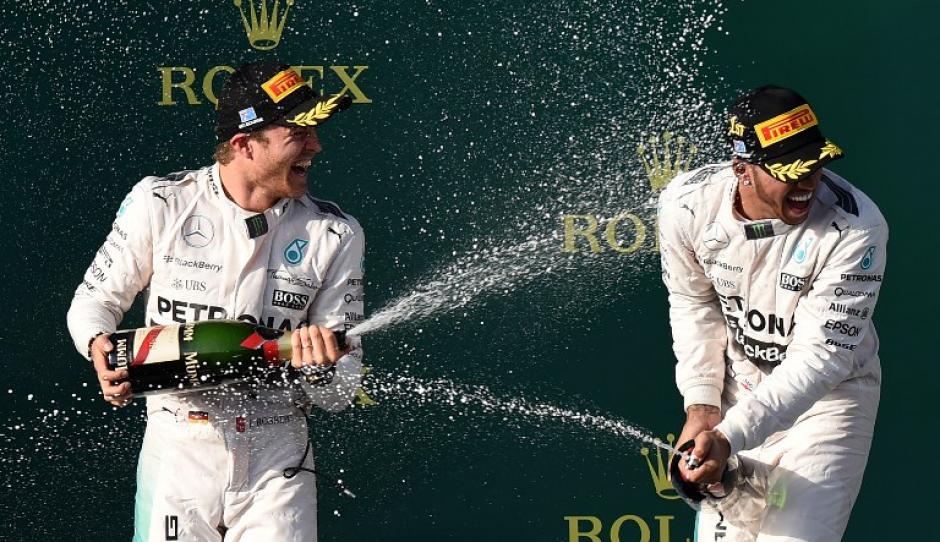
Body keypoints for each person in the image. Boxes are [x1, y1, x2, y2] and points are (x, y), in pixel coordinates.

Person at [66, 60, 364, 541]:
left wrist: (319, 367)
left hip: (279, 455)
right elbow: (93, 301)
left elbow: (340, 392)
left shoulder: (334, 233)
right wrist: (98, 346)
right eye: (299, 133)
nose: (316, 145)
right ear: (245, 144)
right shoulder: (161, 203)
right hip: (178, 447)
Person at [657, 85, 887, 541]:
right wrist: (702, 407)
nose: (809, 183)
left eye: (815, 165)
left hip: (829, 402)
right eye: (791, 171)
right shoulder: (686, 205)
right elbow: (693, 302)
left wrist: (728, 436)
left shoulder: (857, 227)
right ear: (742, 168)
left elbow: (822, 359)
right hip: (737, 394)